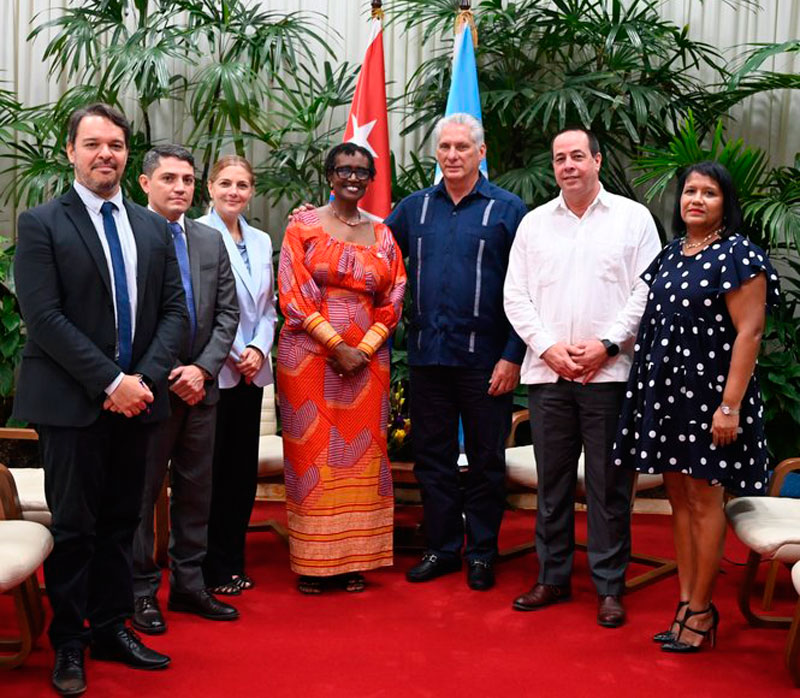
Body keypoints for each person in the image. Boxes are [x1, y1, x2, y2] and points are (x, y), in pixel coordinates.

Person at [13, 103, 186, 695]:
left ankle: (112, 626)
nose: (105, 153)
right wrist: (111, 383)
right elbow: (43, 317)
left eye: (114, 144)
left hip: (139, 402)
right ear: (71, 151)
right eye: (92, 144)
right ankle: (68, 640)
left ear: (126, 154)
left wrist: (141, 382)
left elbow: (173, 313)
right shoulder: (41, 223)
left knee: (120, 523)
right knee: (75, 526)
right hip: (72, 402)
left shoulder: (153, 227)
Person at [613, 161, 780, 651]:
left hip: (712, 401)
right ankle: (686, 602)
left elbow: (749, 334)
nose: (696, 200)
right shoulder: (671, 254)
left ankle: (703, 613)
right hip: (667, 397)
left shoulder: (739, 255)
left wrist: (729, 407)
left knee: (705, 504)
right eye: (690, 191)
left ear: (725, 202)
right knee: (680, 503)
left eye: (709, 192)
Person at [503, 127, 661, 627]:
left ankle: (609, 587)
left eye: (577, 156)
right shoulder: (533, 225)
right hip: (549, 377)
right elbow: (515, 296)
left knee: (608, 486)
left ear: (596, 160)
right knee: (550, 484)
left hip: (610, 376)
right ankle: (551, 578)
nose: (568, 165)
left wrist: (607, 345)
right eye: (559, 159)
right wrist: (549, 349)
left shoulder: (633, 219)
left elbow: (646, 291)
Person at [385, 113, 527, 591]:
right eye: (444, 147)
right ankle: (443, 548)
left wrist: (513, 355)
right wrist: (316, 223)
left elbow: (528, 288)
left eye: (462, 147)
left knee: (487, 460)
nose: (451, 155)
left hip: (488, 361)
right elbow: (372, 253)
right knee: (432, 459)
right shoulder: (413, 209)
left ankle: (483, 552)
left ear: (480, 153)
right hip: (428, 357)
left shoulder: (509, 211)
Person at [277, 142, 406, 594]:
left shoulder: (384, 234)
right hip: (308, 356)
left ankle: (353, 560)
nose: (353, 177)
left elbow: (394, 299)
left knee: (361, 459)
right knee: (313, 457)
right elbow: (291, 291)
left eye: (361, 172)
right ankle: (313, 563)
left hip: (368, 363)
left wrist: (364, 349)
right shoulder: (303, 225)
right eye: (344, 170)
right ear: (329, 175)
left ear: (371, 180)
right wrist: (335, 345)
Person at [131, 145, 240, 634]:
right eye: (170, 178)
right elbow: (127, 319)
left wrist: (202, 369)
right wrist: (167, 373)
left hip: (202, 390)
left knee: (197, 492)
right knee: (141, 495)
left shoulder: (209, 240)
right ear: (145, 183)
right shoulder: (129, 236)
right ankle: (139, 591)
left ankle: (190, 586)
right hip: (148, 393)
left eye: (189, 180)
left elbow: (227, 313)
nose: (180, 188)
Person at [198, 156, 277, 596]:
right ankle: (207, 566)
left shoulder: (263, 240)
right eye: (225, 183)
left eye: (243, 184)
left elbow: (268, 308)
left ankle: (233, 558)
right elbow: (200, 309)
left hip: (252, 370)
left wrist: (257, 348)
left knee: (241, 474)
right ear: (210, 187)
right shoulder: (195, 234)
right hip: (214, 370)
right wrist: (232, 352)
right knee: (210, 472)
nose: (234, 192)